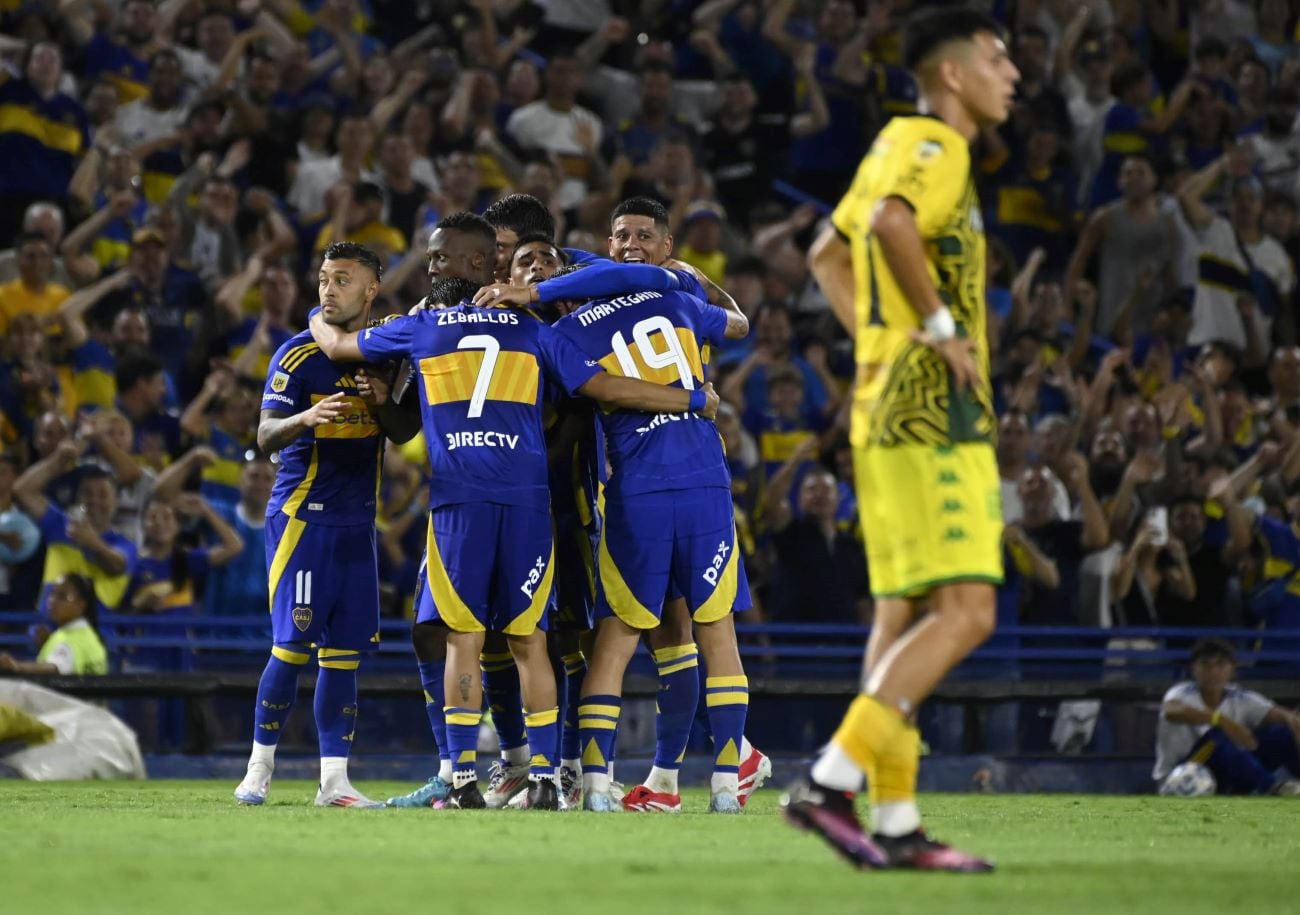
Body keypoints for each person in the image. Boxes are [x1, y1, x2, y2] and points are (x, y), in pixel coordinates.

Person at [307, 276, 721, 810]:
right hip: (529, 502)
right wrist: (689, 397)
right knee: (530, 641)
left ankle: (460, 778)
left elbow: (337, 345)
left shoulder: (425, 325)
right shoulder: (533, 329)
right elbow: (600, 386)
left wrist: (315, 316)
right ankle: (546, 776)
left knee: (465, 639)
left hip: (460, 503)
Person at [787, 8, 1020, 871]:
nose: (1013, 76)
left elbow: (824, 253)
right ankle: (830, 780)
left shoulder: (890, 139)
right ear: (953, 73)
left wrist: (880, 345)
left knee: (904, 613)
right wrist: (938, 326)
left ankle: (894, 821)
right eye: (998, 60)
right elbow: (889, 223)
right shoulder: (938, 147)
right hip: (934, 414)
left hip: (885, 406)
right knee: (968, 610)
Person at [232, 243, 411, 810]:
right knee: (291, 646)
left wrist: (383, 402)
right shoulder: (295, 355)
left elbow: (404, 430)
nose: (328, 289)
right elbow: (262, 437)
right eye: (325, 278)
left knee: (344, 656)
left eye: (342, 279)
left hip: (358, 526)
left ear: (371, 290)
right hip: (301, 520)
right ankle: (258, 769)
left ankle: (334, 782)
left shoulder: (385, 355)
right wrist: (305, 418)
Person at [1155, 638, 1300, 795]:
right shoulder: (1181, 692)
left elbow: (1284, 715)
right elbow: (1171, 710)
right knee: (1217, 738)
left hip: (1226, 774)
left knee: (1283, 734)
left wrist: (1292, 720)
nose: (1213, 671)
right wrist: (1223, 721)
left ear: (1232, 668)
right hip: (1182, 773)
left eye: (1221, 664)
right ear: (1193, 668)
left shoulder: (1239, 697)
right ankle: (1272, 788)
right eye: (1205, 664)